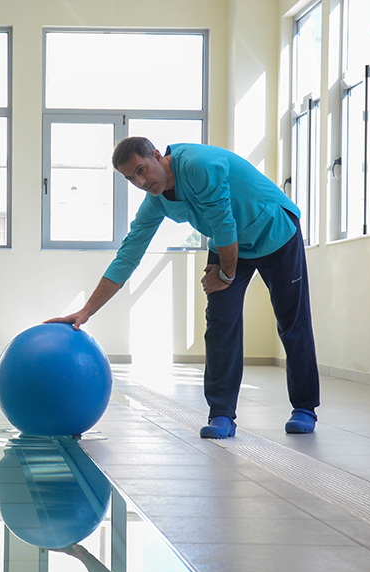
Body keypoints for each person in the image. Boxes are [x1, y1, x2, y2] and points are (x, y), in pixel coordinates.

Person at [47, 137, 319, 438]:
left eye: (141, 169)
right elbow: (128, 256)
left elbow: (224, 223)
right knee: (220, 323)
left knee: (291, 322)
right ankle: (221, 415)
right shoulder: (156, 200)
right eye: (131, 178)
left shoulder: (198, 165)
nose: (140, 181)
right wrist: (86, 311)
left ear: (156, 155)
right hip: (229, 243)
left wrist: (225, 276)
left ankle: (305, 407)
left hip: (274, 231)